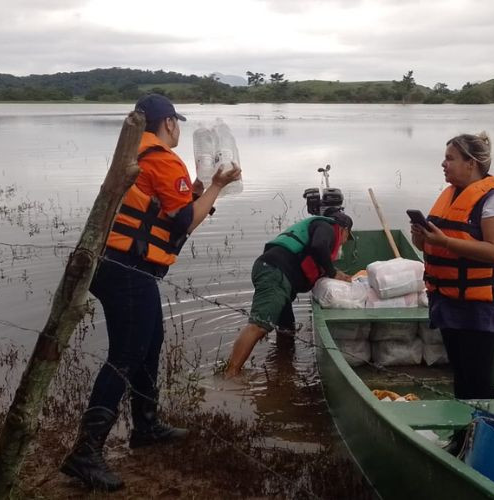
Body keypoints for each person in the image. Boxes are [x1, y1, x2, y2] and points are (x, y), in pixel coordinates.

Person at [61, 94, 242, 491]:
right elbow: (182, 226)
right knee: (125, 354)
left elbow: (170, 211)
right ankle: (86, 452)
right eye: (176, 122)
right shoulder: (161, 157)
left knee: (151, 342)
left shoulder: (138, 153)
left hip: (116, 265)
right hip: (127, 270)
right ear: (168, 123)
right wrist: (215, 186)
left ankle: (146, 426)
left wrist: (197, 192)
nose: (178, 129)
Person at [410, 131, 494, 402]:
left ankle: (486, 435)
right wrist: (421, 239)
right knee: (460, 375)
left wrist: (444, 241)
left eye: (450, 159)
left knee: (477, 378)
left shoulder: (493, 201)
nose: (443, 164)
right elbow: (431, 248)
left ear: (471, 163)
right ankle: (464, 435)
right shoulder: (451, 195)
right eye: (444, 159)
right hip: (448, 300)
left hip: (481, 305)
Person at [225, 208, 354, 378]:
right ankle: (230, 375)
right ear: (343, 229)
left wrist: (335, 274)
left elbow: (311, 258)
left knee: (287, 329)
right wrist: (333, 273)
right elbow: (319, 245)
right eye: (346, 237)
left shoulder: (319, 229)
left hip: (277, 275)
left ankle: (282, 368)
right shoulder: (327, 227)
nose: (344, 242)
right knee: (259, 326)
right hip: (275, 273)